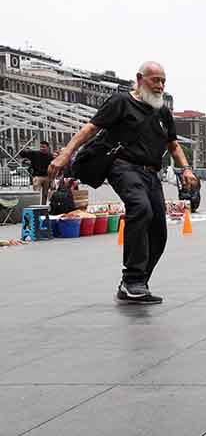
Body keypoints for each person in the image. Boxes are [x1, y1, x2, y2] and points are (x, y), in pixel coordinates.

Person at [47, 61, 195, 304]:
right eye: (155, 80)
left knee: (159, 232)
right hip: (123, 166)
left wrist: (186, 170)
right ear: (139, 79)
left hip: (151, 173)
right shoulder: (121, 102)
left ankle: (135, 284)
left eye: (163, 81)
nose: (160, 86)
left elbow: (173, 145)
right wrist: (66, 153)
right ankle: (133, 278)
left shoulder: (162, 112)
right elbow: (91, 129)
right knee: (140, 207)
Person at [18, 140, 54, 205]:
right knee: (36, 193)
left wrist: (52, 179)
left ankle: (43, 207)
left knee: (45, 194)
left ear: (48, 148)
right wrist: (23, 149)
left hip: (47, 177)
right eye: (41, 147)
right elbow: (22, 154)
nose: (42, 148)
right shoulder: (34, 153)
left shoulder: (50, 156)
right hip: (37, 176)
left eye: (44, 147)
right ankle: (36, 207)